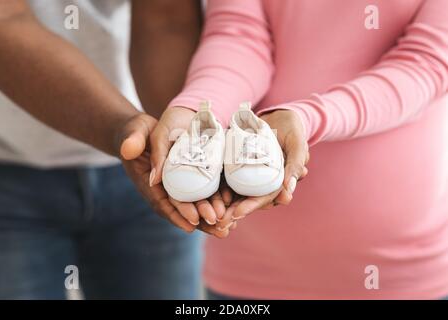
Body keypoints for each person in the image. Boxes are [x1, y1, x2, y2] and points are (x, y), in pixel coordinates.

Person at [150, 0, 448, 299]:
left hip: (403, 266)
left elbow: (429, 60)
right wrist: (199, 110)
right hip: (253, 260)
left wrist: (307, 118)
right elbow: (239, 34)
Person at [0, 0, 203, 299]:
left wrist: (181, 148)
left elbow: (166, 18)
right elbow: (4, 19)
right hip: (9, 170)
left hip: (143, 167)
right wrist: (121, 129)